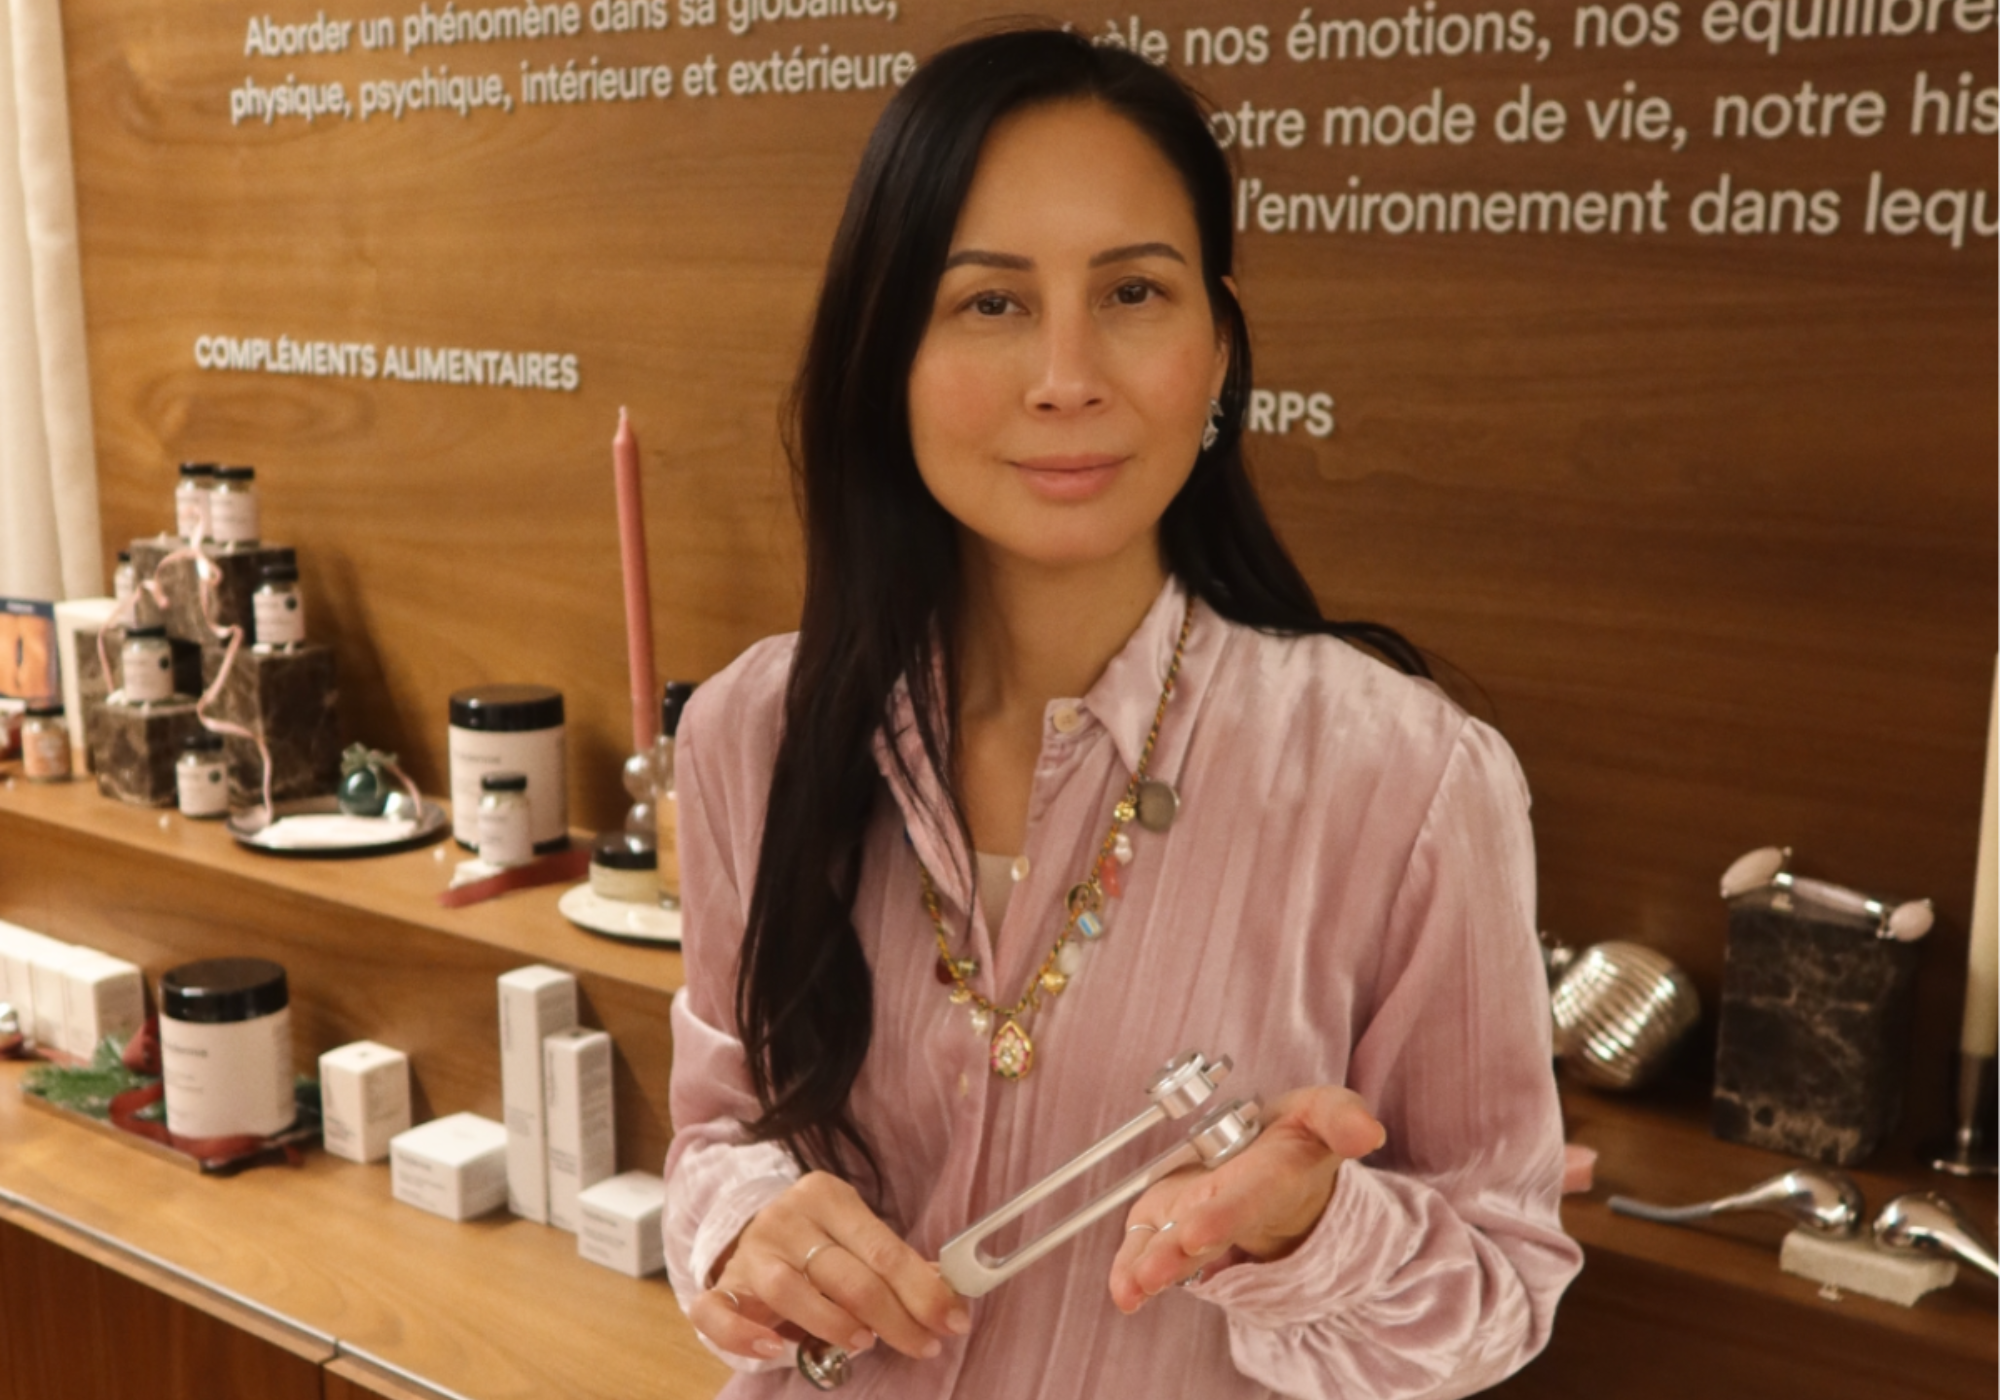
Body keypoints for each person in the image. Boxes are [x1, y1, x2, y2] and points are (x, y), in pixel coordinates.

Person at [663, 26, 1581, 1398]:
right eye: (991, 303)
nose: (1067, 376)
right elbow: (716, 1133)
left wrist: (1312, 1234)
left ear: (1218, 350)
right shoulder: (755, 729)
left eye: (1134, 293)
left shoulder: (1408, 779)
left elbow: (1500, 1293)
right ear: (885, 353)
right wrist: (743, 1227)